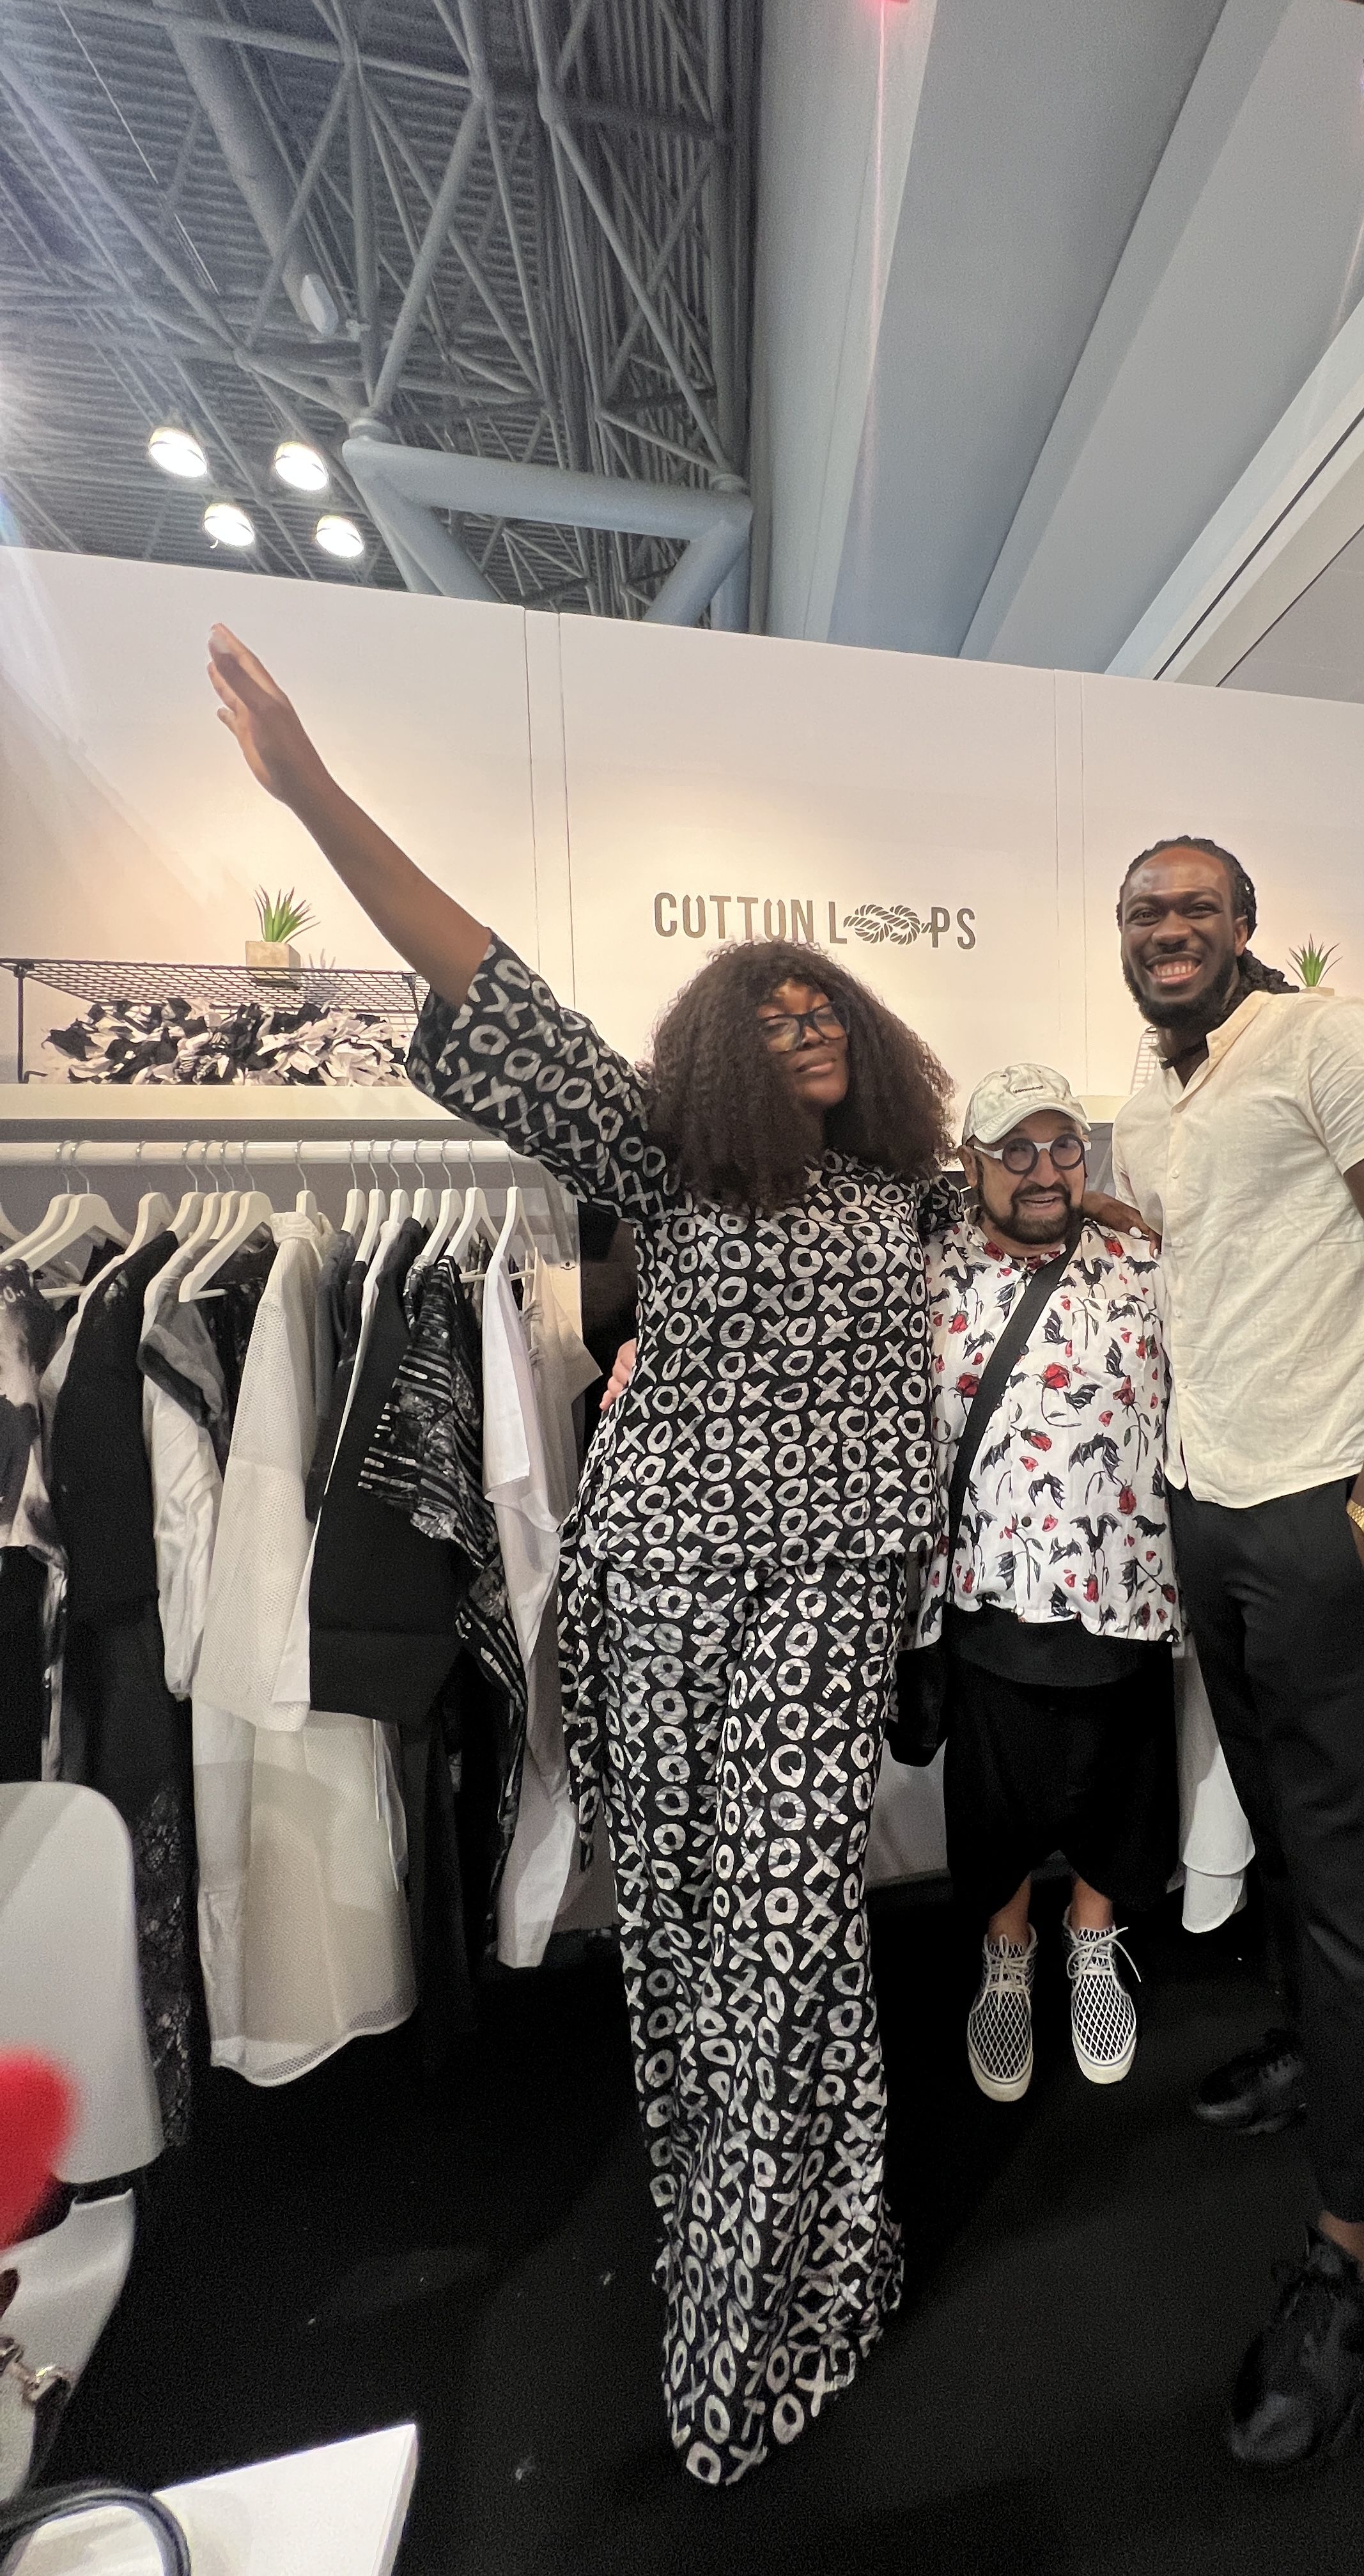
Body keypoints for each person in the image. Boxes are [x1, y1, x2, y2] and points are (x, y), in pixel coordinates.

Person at [205, 625, 956, 2487]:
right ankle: (785, 2262)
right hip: (664, 1597)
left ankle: (766, 2316)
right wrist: (313, 792)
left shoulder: (911, 1197)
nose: (808, 1027)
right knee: (694, 1943)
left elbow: (1022, 1243)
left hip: (824, 1608)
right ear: (716, 1055)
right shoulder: (667, 1160)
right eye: (771, 1014)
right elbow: (490, 982)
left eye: (830, 1010)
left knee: (786, 1939)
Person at [1110, 834, 1364, 2472]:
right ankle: (1323, 2056)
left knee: (1336, 1860)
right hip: (1211, 1502)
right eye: (1145, 911)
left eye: (1197, 906)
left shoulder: (1335, 1042)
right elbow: (1215, 1253)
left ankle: (1355, 2257)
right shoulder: (1163, 1091)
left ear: (1248, 923)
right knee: (1275, 1818)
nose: (1170, 928)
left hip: (1323, 1512)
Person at [913, 1064, 1179, 2102]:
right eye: (1014, 1149)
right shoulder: (927, 1267)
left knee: (1120, 1782)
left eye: (1063, 1146)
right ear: (972, 1160)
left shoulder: (1143, 1261)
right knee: (995, 1795)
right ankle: (1008, 1953)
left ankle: (1093, 1940)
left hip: (1126, 1581)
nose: (1043, 1170)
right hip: (988, 1587)